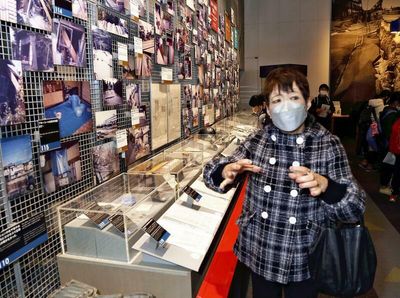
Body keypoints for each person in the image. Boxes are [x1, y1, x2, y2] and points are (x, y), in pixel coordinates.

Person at [203, 68, 365, 298]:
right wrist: (226, 171)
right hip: (261, 249)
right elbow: (210, 172)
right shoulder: (257, 140)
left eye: (294, 98)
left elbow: (355, 207)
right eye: (278, 100)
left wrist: (326, 186)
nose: (286, 106)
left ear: (308, 103)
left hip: (306, 254)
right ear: (268, 108)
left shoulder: (328, 143)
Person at [379, 92, 400, 196]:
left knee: (388, 165)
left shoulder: (385, 110)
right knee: (390, 166)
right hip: (390, 144)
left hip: (386, 143)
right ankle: (386, 187)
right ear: (396, 102)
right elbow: (390, 131)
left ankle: (385, 186)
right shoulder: (393, 114)